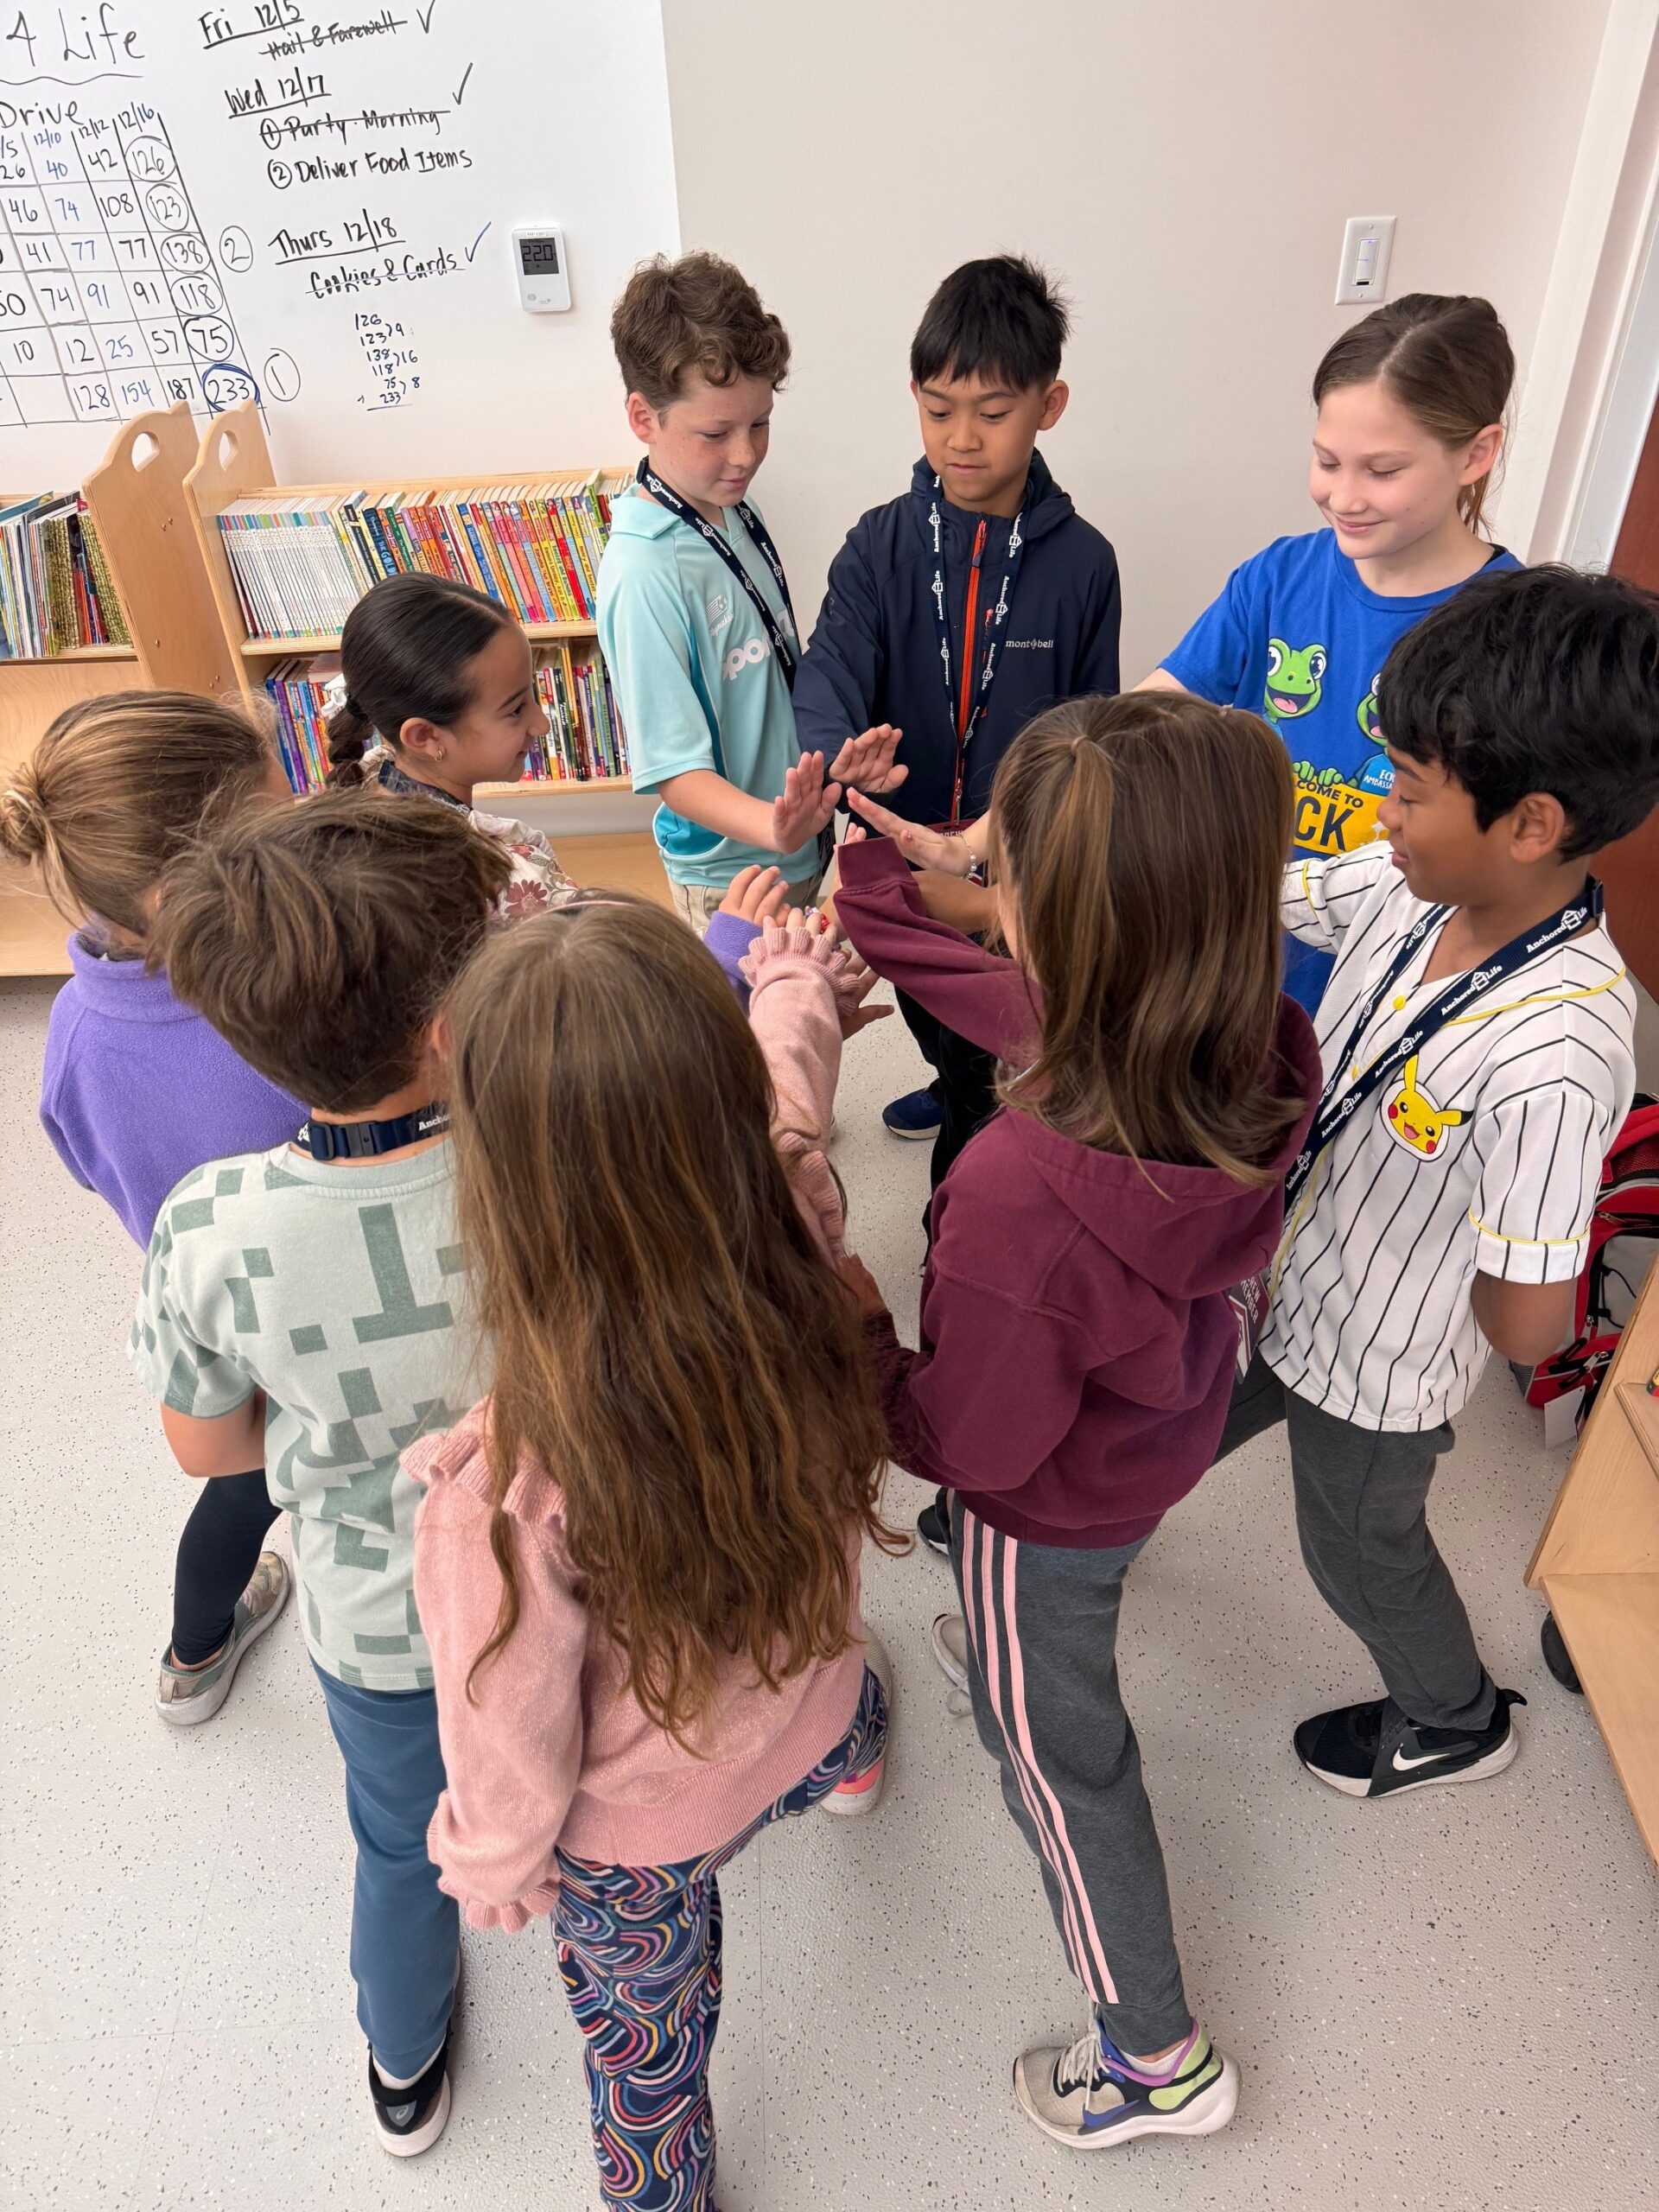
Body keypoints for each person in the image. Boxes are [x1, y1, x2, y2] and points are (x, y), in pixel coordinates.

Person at [834, 696, 1321, 2152]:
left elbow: (968, 1449)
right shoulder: (1242, 1030)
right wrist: (874, 866)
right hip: (1154, 1423)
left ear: (1057, 931)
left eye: (1001, 873)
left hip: (1043, 1509)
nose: (978, 894)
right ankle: (1009, 1641)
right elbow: (975, 975)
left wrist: (856, 1340)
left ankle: (1156, 2057)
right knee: (1058, 1611)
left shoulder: (1014, 1198)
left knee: (1058, 1757)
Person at [409, 896, 899, 2211]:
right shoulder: (795, 1203)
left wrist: (494, 1863)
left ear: (500, 1176)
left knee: (647, 2049)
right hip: (813, 1687)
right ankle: (853, 1764)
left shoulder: (507, 1483)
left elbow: (510, 1726)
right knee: (845, 1717)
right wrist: (791, 977)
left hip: (641, 1842)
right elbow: (791, 1087)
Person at [1211, 563, 1659, 1799]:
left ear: (1533, 824)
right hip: (1288, 1275)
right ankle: (1086, 1514)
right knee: (1184, 1407)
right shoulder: (1415, 885)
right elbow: (1278, 890)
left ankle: (1455, 1718)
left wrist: (1452, 1273)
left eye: (1408, 790)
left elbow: (1532, 1322)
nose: (1382, 810)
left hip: (1377, 1373)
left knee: (1359, 1550)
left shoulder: (1560, 1045)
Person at [129, 791, 512, 2157]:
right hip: (578, 1578)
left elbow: (210, 1449)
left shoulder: (209, 1225)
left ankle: (402, 2067)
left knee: (399, 1843)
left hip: (379, 1623)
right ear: (452, 1017)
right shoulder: (554, 1155)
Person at [0, 692, 298, 1724]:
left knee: (242, 1492)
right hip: (322, 1307)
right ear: (181, 893)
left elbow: (89, 1165)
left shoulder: (71, 1029)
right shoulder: (279, 1007)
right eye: (277, 827)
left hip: (209, 1320)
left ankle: (193, 1658)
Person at [795, 253, 1122, 1168]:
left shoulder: (1084, 563)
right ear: (915, 398)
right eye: (939, 411)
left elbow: (1090, 726)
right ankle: (950, 1073)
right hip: (899, 847)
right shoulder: (880, 544)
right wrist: (837, 755)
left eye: (993, 412)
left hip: (1011, 863)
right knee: (933, 1011)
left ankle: (966, 1146)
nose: (962, 439)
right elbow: (828, 666)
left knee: (997, 1047)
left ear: (1049, 405)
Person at [1138, 292, 1520, 1013]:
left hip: (1390, 989)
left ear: (1476, 454)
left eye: (1382, 470)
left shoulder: (1513, 630)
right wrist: (980, 843)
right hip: (1241, 965)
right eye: (1326, 461)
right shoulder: (1279, 578)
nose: (1344, 497)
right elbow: (1136, 725)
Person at [598, 250, 903, 927]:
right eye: (716, 433)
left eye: (759, 423)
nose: (745, 455)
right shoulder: (644, 572)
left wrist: (831, 766)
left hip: (795, 840)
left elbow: (765, 684)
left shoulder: (731, 506)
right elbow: (674, 773)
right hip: (731, 878)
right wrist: (774, 827)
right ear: (644, 418)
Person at [325, 569, 581, 918]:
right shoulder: (515, 886)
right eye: (515, 710)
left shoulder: (370, 774)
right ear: (425, 737)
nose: (542, 724)